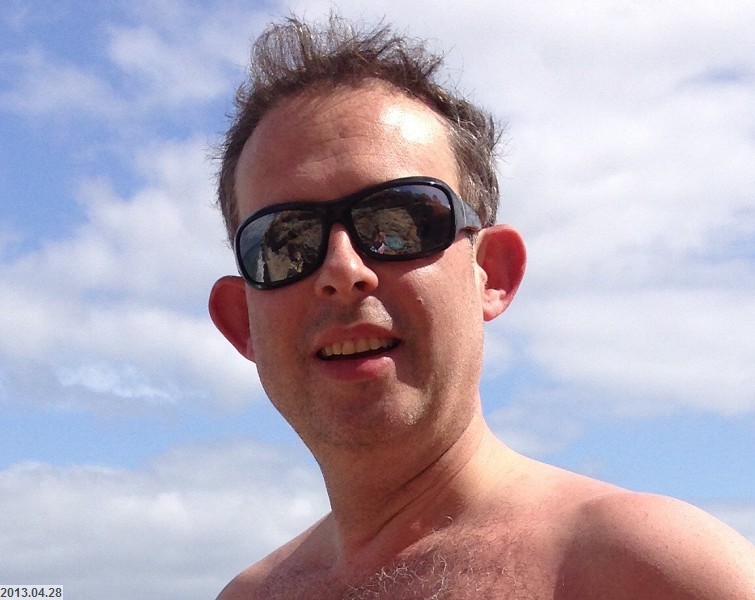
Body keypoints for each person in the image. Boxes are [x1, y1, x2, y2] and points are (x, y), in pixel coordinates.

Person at [208, 14, 755, 599]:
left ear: (491, 273)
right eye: (285, 242)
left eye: (399, 222)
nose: (343, 270)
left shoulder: (654, 574)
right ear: (242, 323)